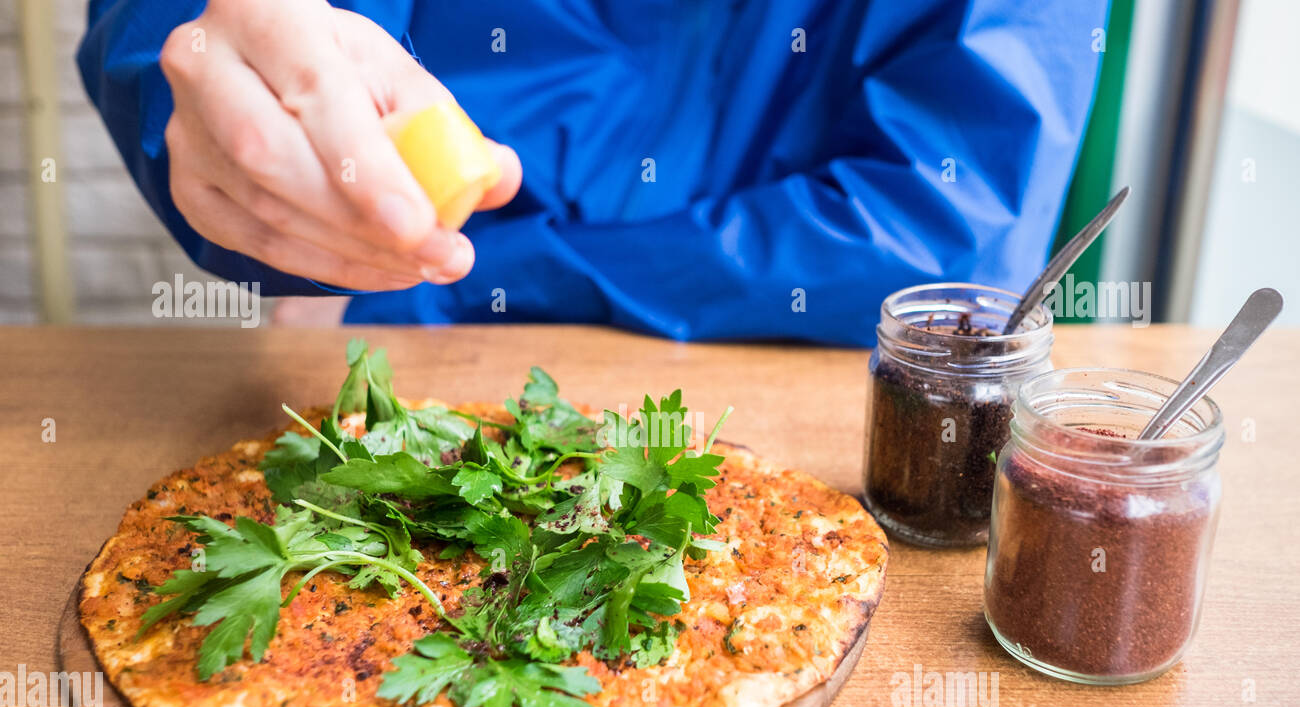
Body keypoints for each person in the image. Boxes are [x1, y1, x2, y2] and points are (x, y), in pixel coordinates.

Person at [79, 0, 1108, 345]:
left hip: (805, 420)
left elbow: (951, 235)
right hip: (375, 362)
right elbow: (197, 30)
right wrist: (219, 83)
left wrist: (498, 271)